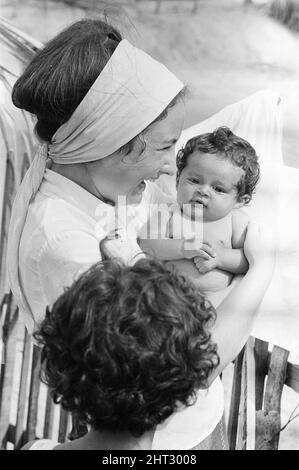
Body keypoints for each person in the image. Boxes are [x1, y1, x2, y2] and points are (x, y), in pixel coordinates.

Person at [7, 18, 274, 449]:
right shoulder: (67, 245)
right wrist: (262, 269)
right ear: (108, 143)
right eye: (166, 146)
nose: (172, 166)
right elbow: (188, 369)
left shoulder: (118, 189)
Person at [139, 126, 260, 297]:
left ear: (240, 200)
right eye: (195, 180)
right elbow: (146, 245)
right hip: (166, 296)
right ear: (178, 180)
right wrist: (183, 248)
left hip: (215, 301)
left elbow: (249, 260)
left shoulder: (236, 221)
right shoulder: (169, 212)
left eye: (218, 189)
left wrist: (220, 257)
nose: (203, 191)